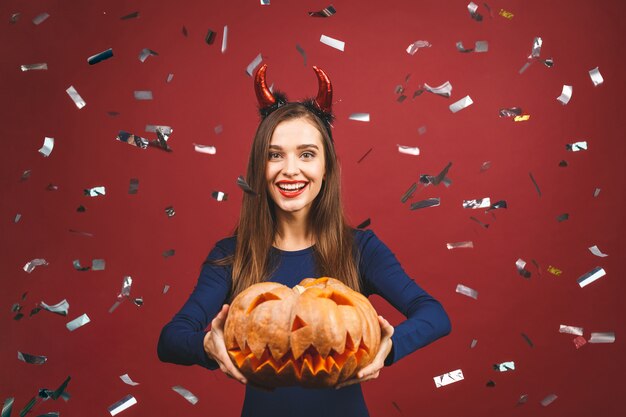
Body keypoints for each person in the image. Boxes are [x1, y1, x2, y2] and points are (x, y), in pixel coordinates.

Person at [157, 64, 451, 417]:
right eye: (275, 154)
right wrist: (207, 346)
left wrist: (387, 349)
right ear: (259, 167)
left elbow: (435, 313)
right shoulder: (232, 255)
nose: (290, 169)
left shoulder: (360, 249)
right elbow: (170, 339)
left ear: (326, 168)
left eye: (307, 154)